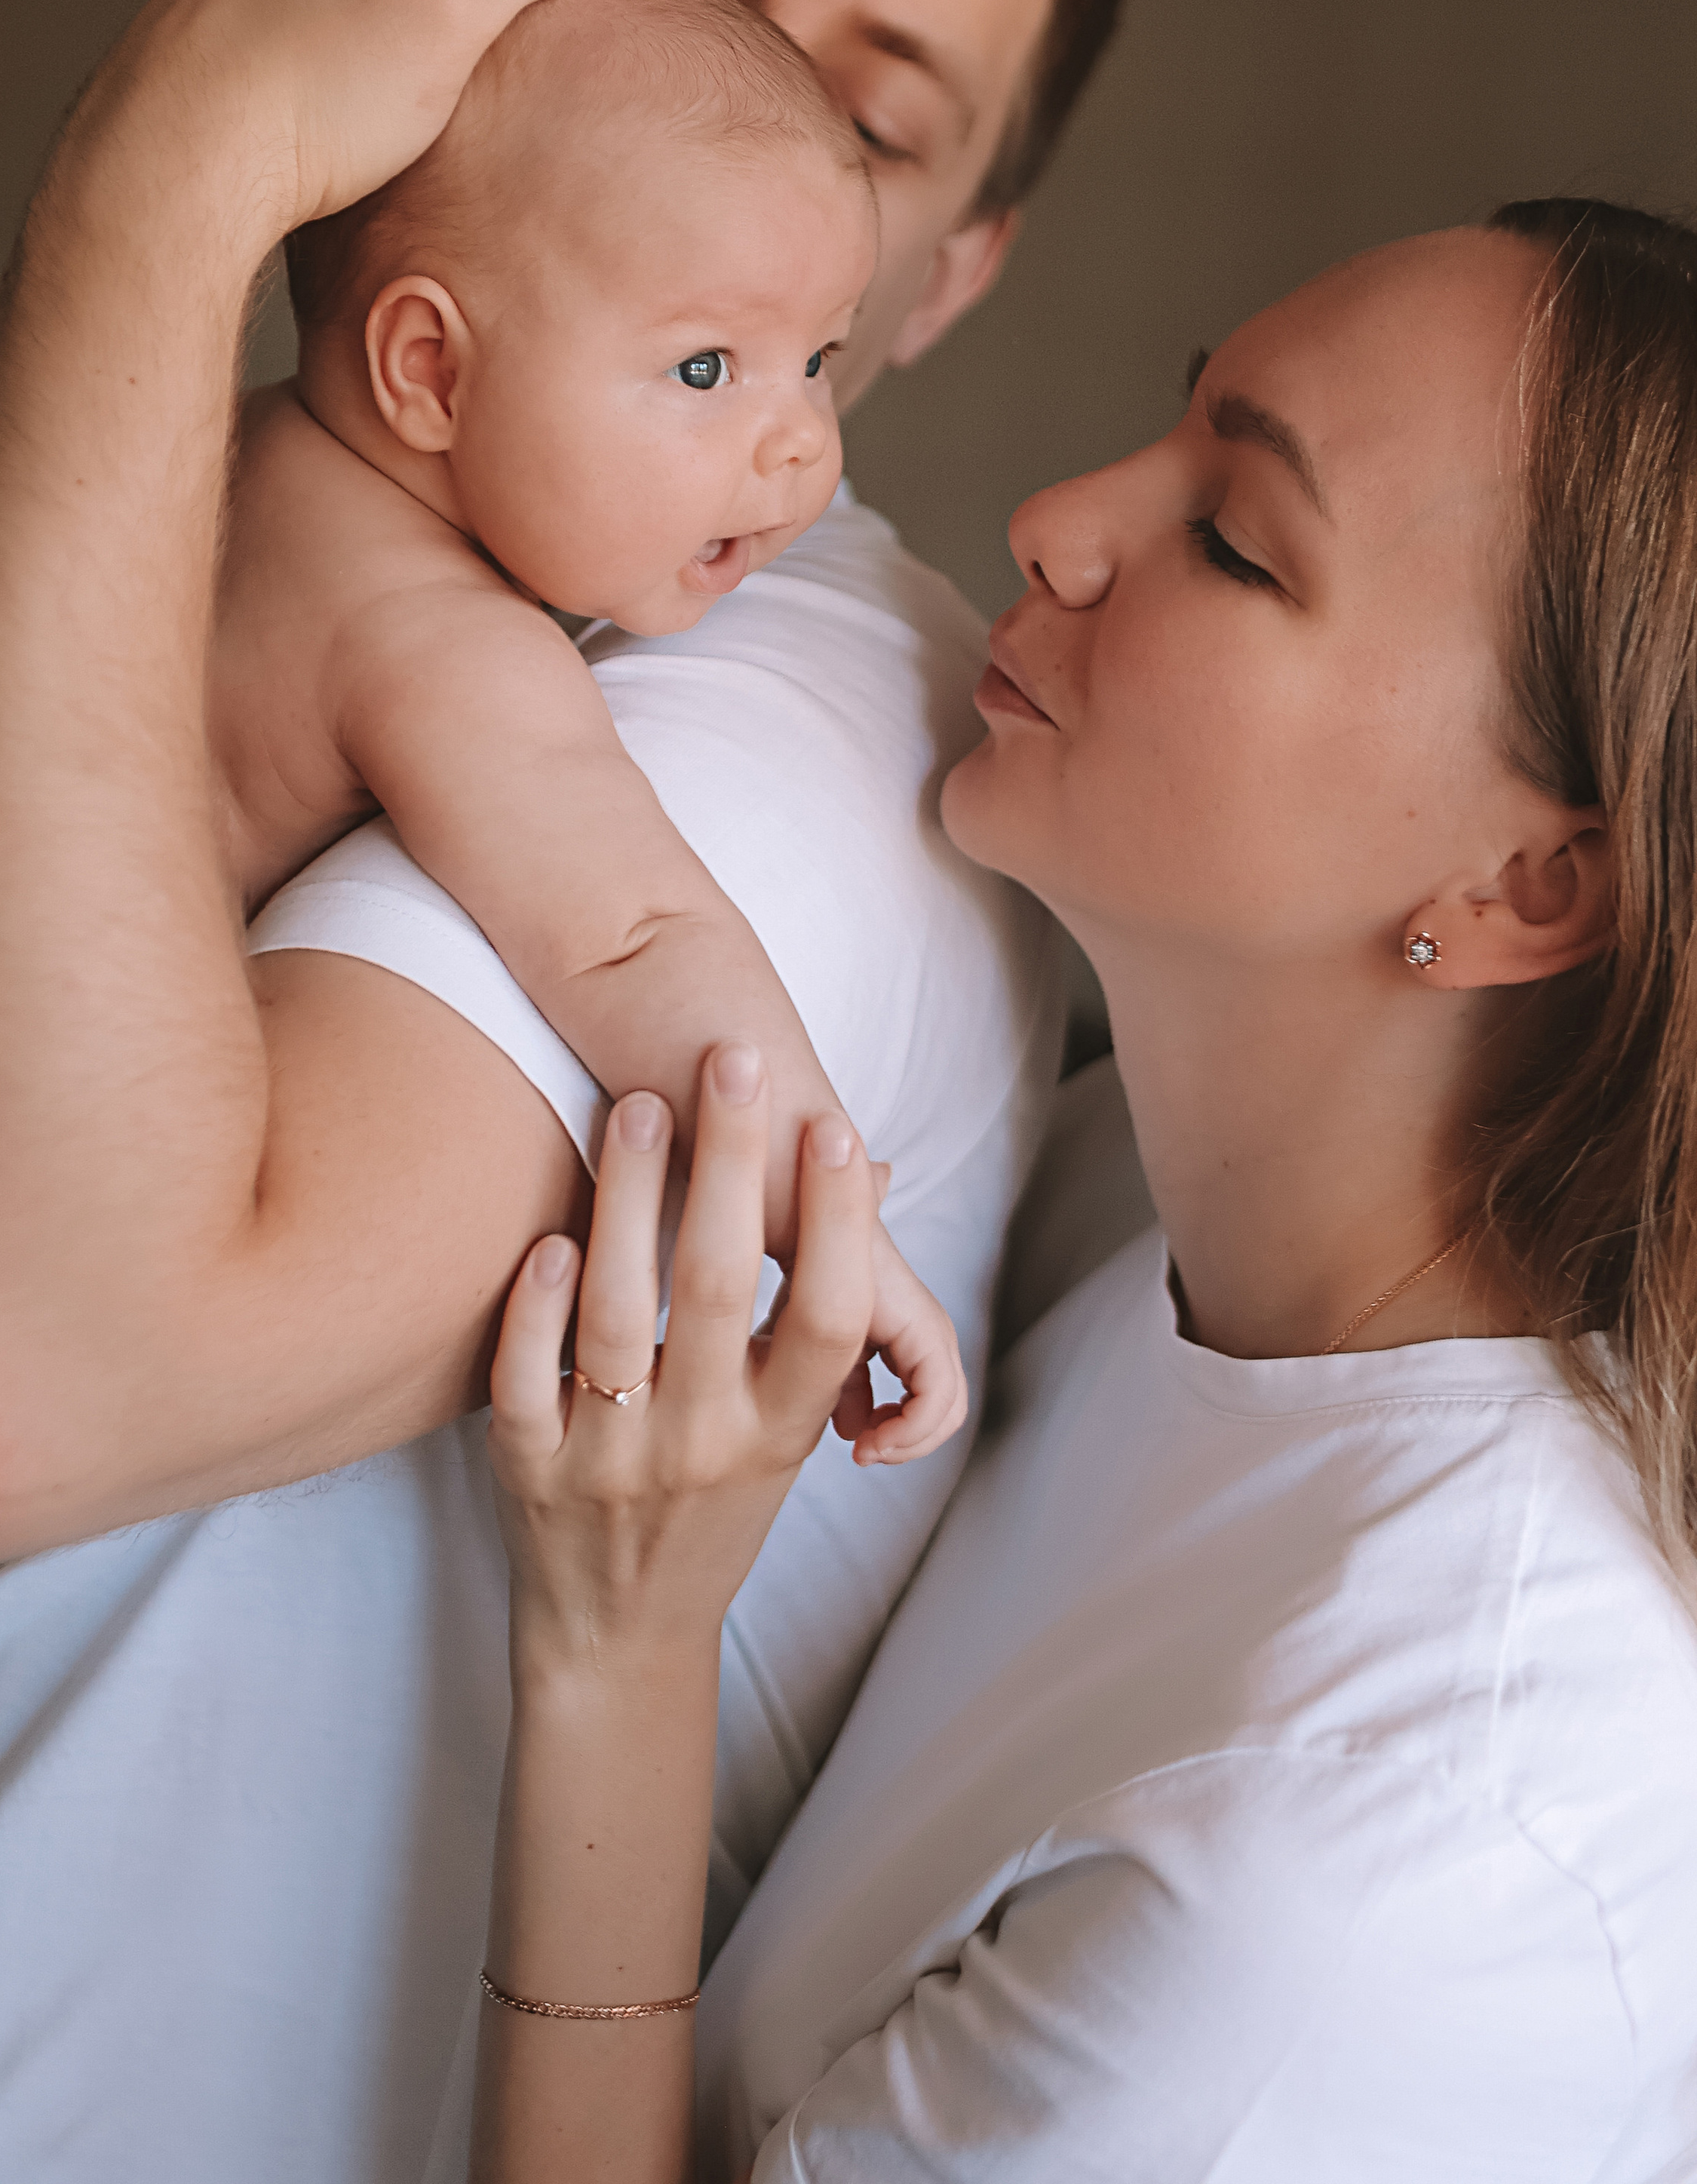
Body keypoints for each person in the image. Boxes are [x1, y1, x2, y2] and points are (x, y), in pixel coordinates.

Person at [0, 0, 1130, 2181]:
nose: (747, 113)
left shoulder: (803, 714)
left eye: (868, 110)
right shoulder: (283, 510)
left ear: (940, 267)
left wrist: (150, 190)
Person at [468, 200, 1697, 2183]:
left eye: (1237, 542)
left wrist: (620, 1656)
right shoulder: (1147, 1197)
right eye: (1179, 419)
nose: (1055, 521)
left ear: (1528, 885)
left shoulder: (1392, 1877)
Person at [216, 0, 957, 1429]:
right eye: (706, 370)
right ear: (429, 369)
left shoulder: (223, 455)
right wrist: (832, 1225)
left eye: (818, 359)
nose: (803, 442)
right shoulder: (434, 639)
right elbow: (632, 937)